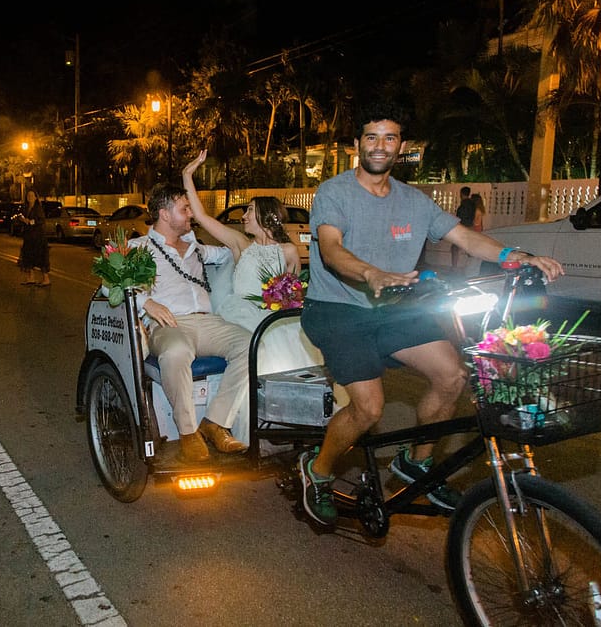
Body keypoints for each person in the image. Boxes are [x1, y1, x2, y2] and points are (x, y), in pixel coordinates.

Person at [297, 99, 564, 527]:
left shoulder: (414, 201)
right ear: (357, 145)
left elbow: (465, 237)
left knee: (453, 375)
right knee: (368, 409)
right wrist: (371, 272)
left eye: (389, 137)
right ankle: (318, 470)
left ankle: (416, 464)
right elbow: (330, 249)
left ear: (401, 145)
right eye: (371, 137)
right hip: (338, 310)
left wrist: (518, 255)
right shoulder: (335, 192)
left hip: (394, 309)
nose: (380, 146)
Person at [127, 180, 252, 463]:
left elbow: (238, 248)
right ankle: (187, 433)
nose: (191, 215)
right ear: (165, 213)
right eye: (185, 209)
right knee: (176, 352)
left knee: (250, 344)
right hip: (169, 324)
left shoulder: (198, 248)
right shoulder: (139, 247)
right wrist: (146, 302)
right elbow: (111, 285)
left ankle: (216, 422)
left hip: (208, 323)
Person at [181, 149, 322, 376]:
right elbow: (202, 217)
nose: (243, 216)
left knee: (286, 344)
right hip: (239, 313)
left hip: (272, 317)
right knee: (260, 343)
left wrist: (282, 300)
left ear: (265, 216)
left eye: (249, 210)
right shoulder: (241, 244)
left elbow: (295, 295)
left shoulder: (289, 251)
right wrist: (187, 175)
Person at [16, 189, 51, 287]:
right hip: (28, 236)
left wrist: (31, 221)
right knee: (28, 256)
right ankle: (31, 277)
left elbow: (41, 220)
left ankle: (46, 278)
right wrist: (22, 219)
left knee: (40, 257)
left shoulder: (38, 208)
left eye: (31, 196)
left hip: (38, 236)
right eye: (28, 196)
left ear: (36, 197)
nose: (29, 198)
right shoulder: (26, 208)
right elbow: (19, 216)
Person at [451, 186, 476, 269]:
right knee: (469, 247)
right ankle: (471, 265)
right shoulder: (472, 204)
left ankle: (454, 267)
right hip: (470, 227)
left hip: (463, 227)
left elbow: (460, 217)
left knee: (455, 248)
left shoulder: (463, 205)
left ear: (461, 194)